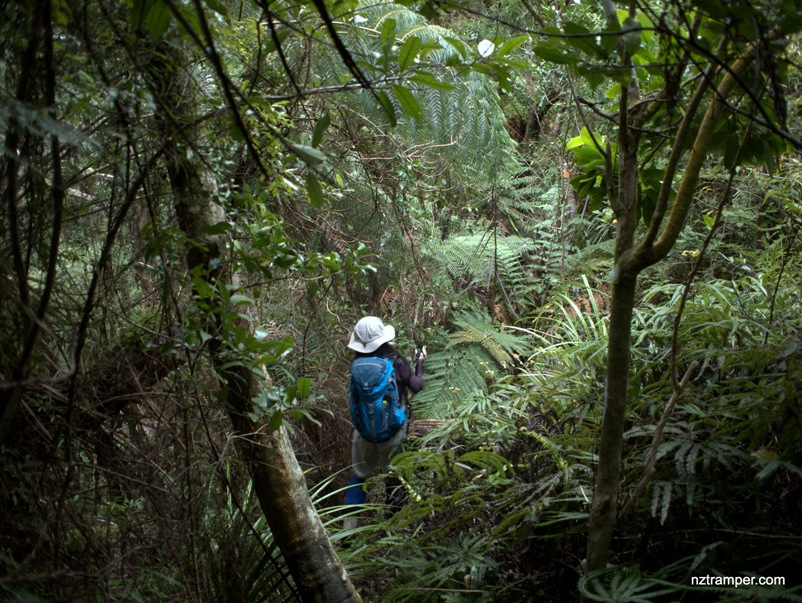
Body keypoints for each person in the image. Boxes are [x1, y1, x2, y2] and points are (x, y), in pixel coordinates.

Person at [343, 316, 425, 526]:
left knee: (359, 476)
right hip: (393, 432)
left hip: (363, 433)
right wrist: (420, 364)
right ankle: (393, 527)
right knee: (394, 475)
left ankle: (348, 527)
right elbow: (416, 386)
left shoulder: (356, 365)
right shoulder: (396, 362)